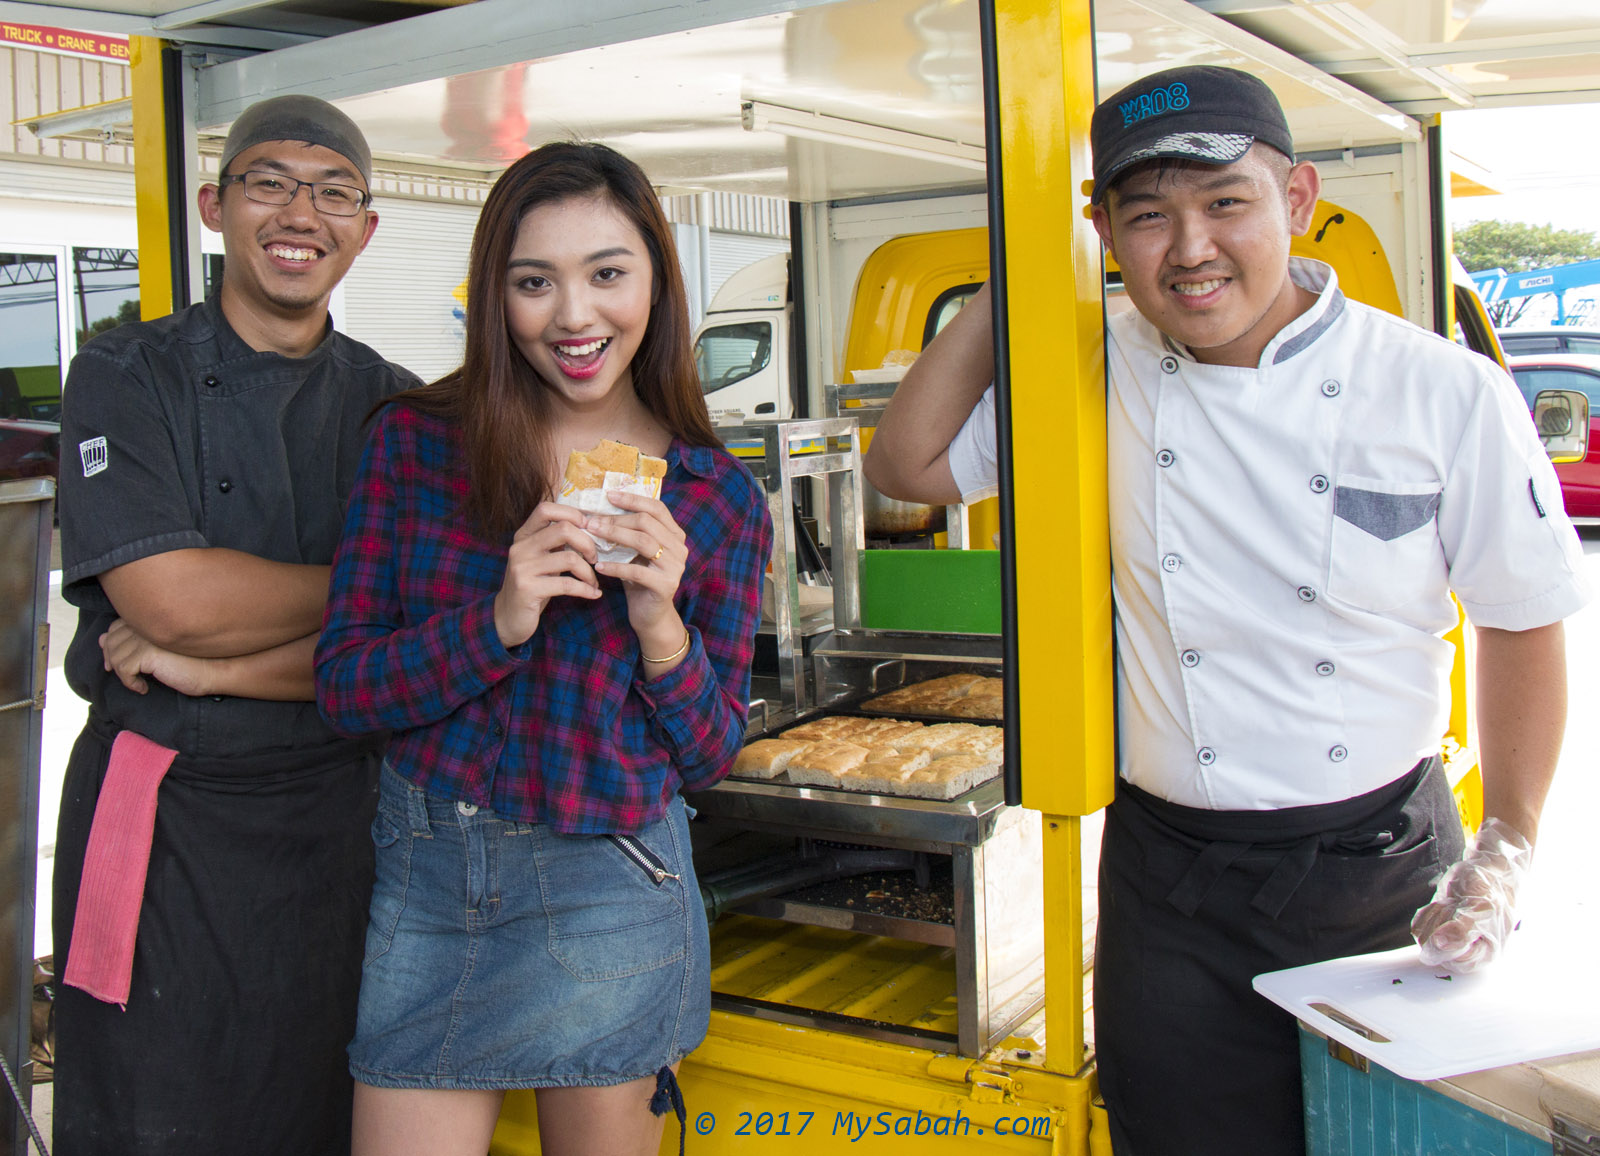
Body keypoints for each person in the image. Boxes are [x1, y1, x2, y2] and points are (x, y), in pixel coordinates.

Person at [865, 65, 1590, 1156]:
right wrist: (1015, 278)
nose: (1189, 248)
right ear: (1101, 230)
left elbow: (1520, 618)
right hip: (1170, 882)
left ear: (1295, 200)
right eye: (1146, 216)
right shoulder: (1088, 365)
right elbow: (908, 463)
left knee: (1386, 1139)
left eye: (1225, 204)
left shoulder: (1441, 390)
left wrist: (1509, 840)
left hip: (1379, 871)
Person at [313, 140, 772, 1156]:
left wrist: (660, 624)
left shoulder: (716, 499)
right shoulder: (416, 442)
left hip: (609, 889)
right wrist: (499, 618)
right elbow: (343, 690)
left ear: (655, 277)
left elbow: (707, 754)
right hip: (429, 885)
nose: (574, 316)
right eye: (535, 282)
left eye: (608, 274)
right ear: (496, 295)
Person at [50, 95, 417, 1154]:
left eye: (334, 190)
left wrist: (211, 659)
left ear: (365, 228)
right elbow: (172, 602)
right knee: (148, 1112)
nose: (301, 211)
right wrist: (370, 580)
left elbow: (402, 650)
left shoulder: (396, 405)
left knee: (322, 1105)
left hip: (342, 823)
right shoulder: (126, 374)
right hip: (161, 815)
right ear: (215, 205)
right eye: (270, 181)